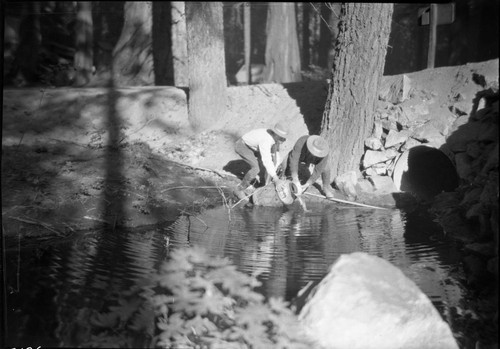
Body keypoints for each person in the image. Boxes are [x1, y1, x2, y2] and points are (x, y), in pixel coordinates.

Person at [233, 122, 289, 200]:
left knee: (268, 165)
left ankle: (264, 184)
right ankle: (240, 188)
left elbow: (276, 154)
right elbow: (267, 160)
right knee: (256, 168)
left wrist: (276, 168)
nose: (284, 140)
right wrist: (276, 179)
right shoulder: (266, 140)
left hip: (255, 147)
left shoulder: (275, 138)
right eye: (282, 138)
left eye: (284, 137)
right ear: (276, 134)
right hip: (242, 146)